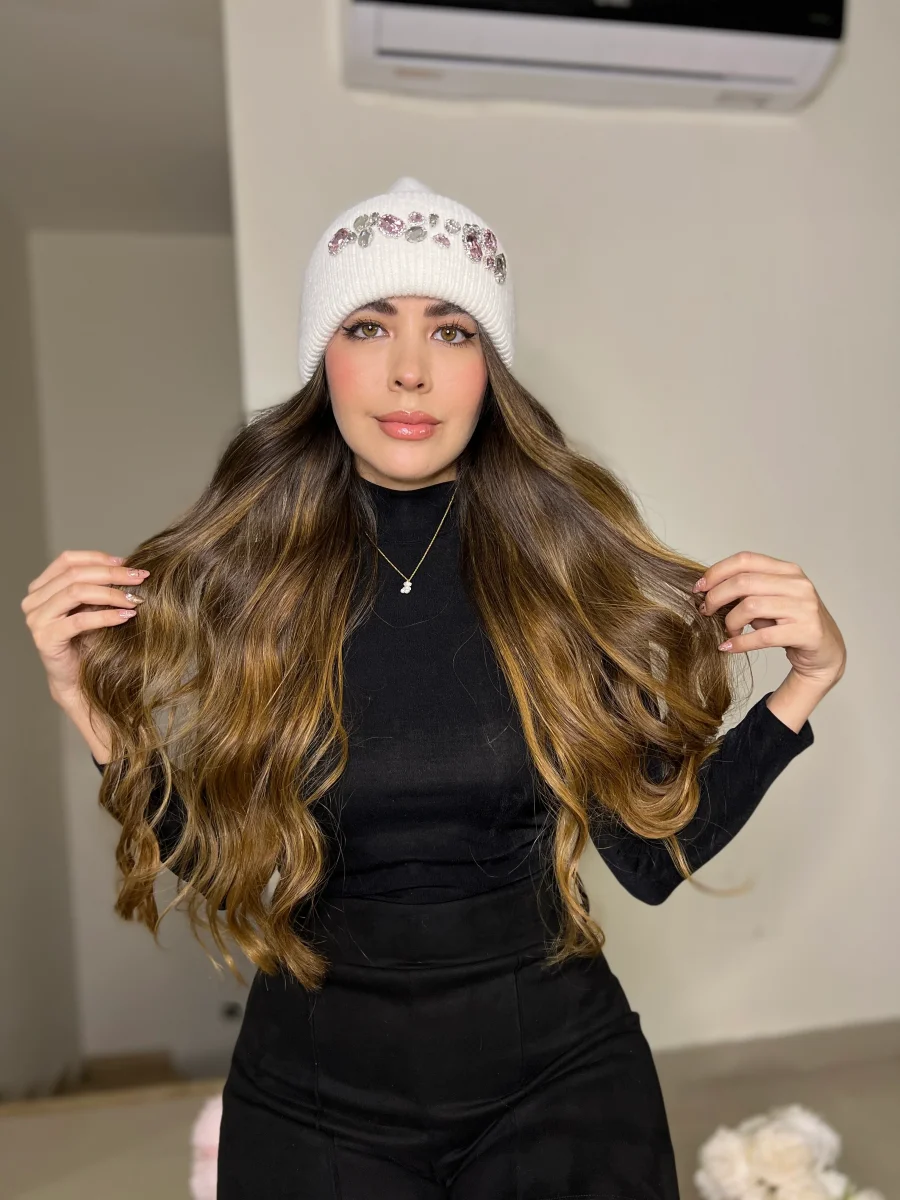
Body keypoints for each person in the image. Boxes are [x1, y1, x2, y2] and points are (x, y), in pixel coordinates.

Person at [22, 176, 846, 1199]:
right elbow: (221, 858)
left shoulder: (562, 576)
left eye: (451, 331)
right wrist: (82, 698)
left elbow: (646, 858)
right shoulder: (249, 583)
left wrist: (804, 686)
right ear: (322, 358)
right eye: (368, 325)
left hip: (559, 1082)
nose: (408, 370)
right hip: (311, 1096)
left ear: (489, 370)